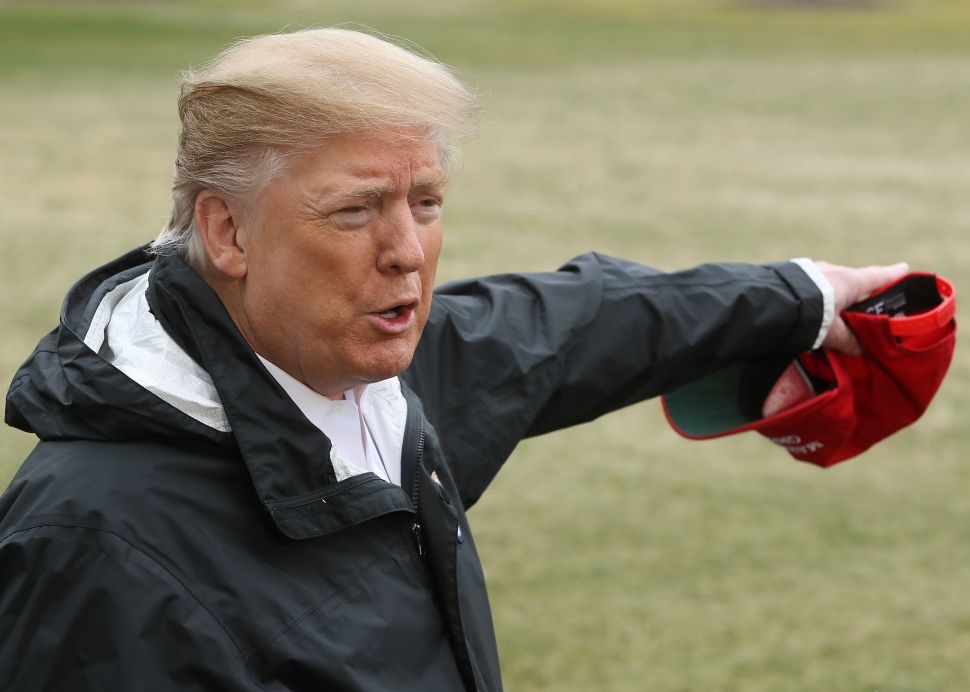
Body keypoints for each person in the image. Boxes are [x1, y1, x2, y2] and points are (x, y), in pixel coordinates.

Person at [0, 28, 907, 692]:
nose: (407, 252)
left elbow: (571, 326)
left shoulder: (352, 374)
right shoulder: (94, 549)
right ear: (227, 231)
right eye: (355, 210)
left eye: (426, 202)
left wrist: (804, 300)